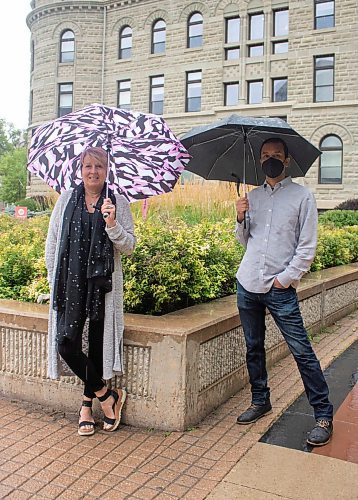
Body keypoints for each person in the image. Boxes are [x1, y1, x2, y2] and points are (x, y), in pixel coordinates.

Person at [235, 137, 333, 447]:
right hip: (247, 282)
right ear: (259, 160)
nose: (270, 159)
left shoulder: (302, 197)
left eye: (276, 155)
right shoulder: (252, 196)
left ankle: (323, 414)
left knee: (302, 351)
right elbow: (244, 240)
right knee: (253, 347)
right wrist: (240, 217)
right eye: (265, 155)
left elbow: (307, 247)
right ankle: (260, 400)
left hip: (279, 287)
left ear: (287, 160)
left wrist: (285, 280)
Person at [45, 146, 136, 436]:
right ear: (80, 169)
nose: (93, 172)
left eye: (98, 166)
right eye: (87, 166)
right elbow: (53, 242)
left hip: (102, 285)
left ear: (106, 170)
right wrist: (52, 279)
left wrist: (112, 224)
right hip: (70, 285)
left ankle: (87, 406)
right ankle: (108, 395)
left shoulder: (116, 201)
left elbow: (129, 246)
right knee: (67, 344)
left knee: (97, 346)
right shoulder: (66, 200)